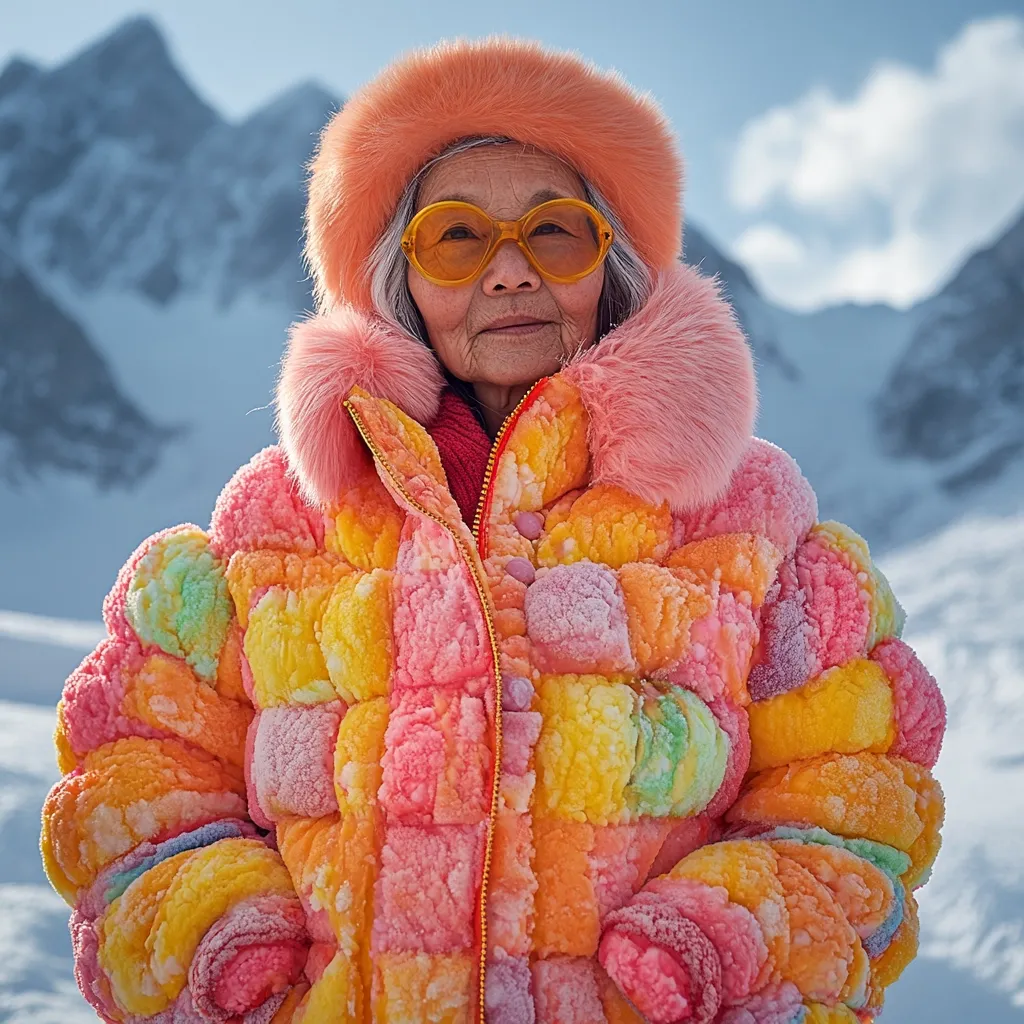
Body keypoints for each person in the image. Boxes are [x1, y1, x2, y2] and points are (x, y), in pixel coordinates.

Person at [41, 39, 946, 1024]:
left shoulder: (746, 519)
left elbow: (855, 790)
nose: (510, 272)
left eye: (555, 232)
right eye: (456, 238)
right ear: (398, 277)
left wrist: (699, 960)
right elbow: (140, 768)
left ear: (610, 262)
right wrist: (237, 968)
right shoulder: (278, 523)